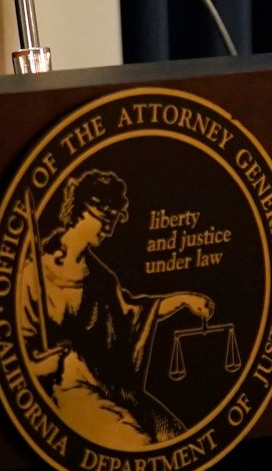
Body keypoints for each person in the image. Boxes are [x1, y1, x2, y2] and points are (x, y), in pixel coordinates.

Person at [13, 170, 217, 448]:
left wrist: (182, 300)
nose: (109, 229)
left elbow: (134, 314)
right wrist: (58, 363)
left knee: (179, 440)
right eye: (104, 218)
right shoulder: (33, 273)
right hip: (65, 391)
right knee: (138, 444)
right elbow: (19, 360)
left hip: (109, 387)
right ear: (81, 211)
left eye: (114, 220)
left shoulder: (100, 279)